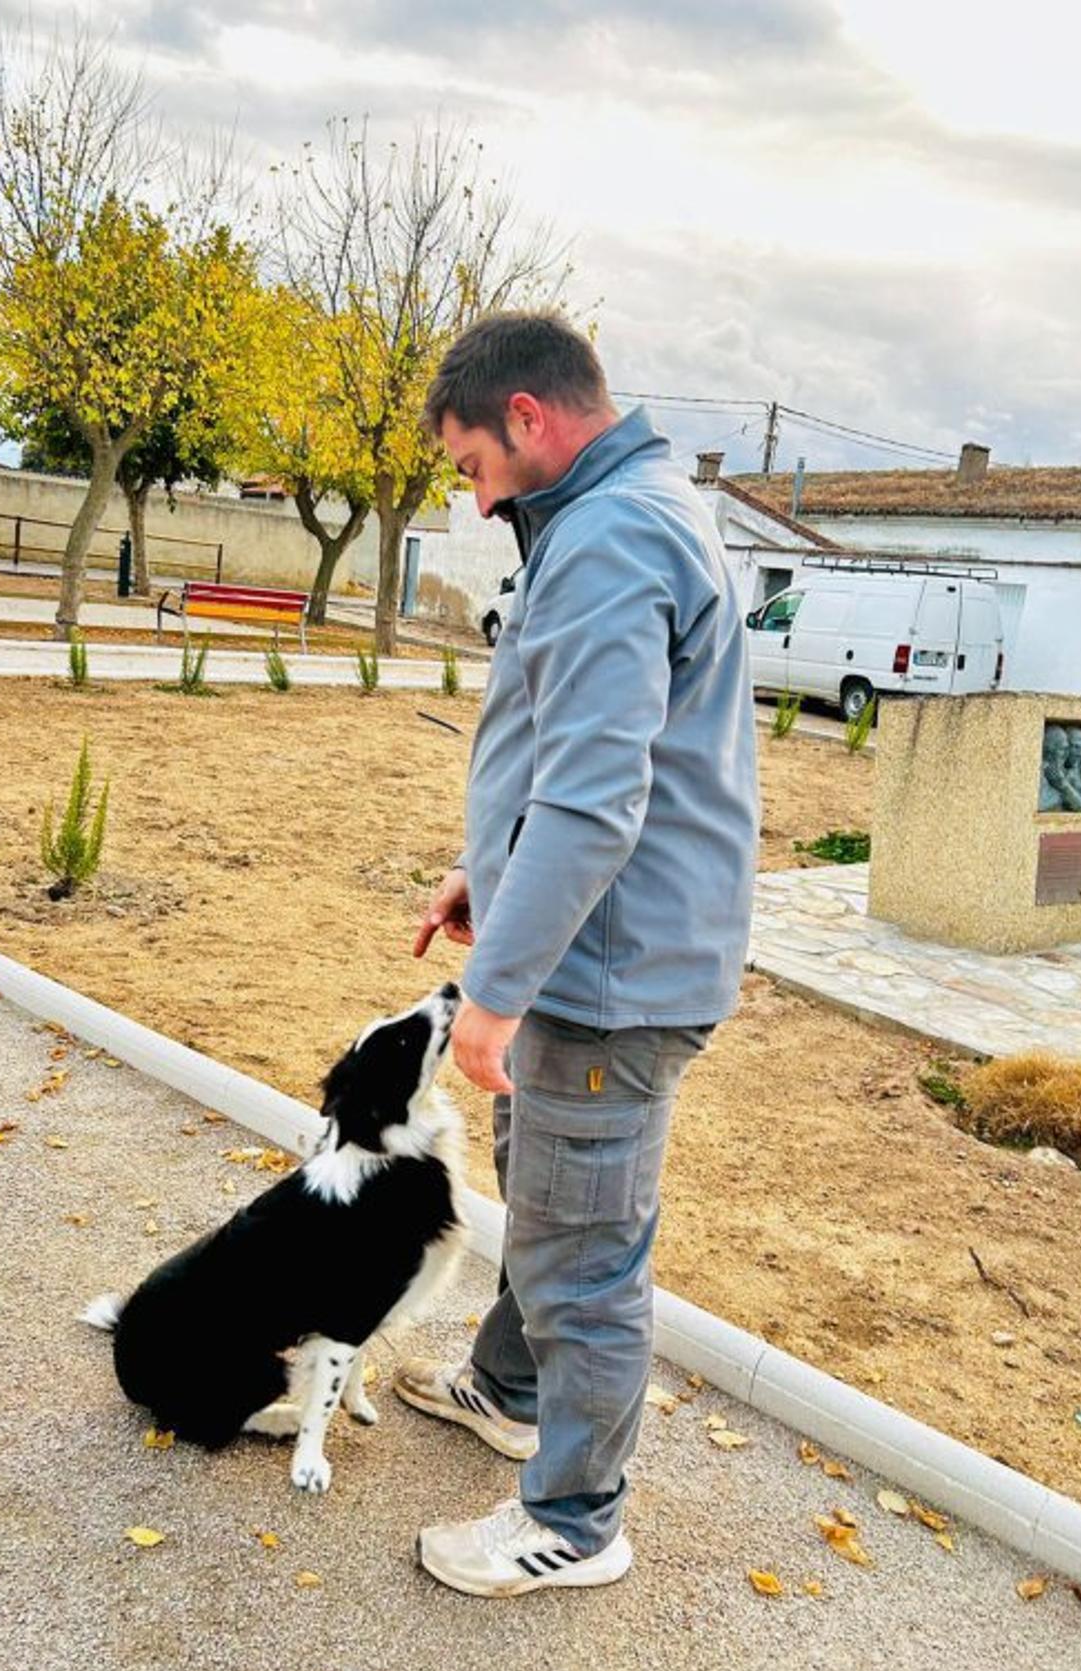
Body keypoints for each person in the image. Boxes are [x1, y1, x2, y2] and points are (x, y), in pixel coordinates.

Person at [399, 312, 759, 1598]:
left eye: (475, 464)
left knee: (583, 1252)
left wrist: (494, 996)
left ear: (531, 420)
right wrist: (484, 877)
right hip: (599, 953)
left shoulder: (610, 540)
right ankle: (507, 1386)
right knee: (548, 1196)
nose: (475, 494)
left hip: (607, 983)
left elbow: (596, 799)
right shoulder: (626, 510)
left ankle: (576, 1519)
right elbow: (575, 754)